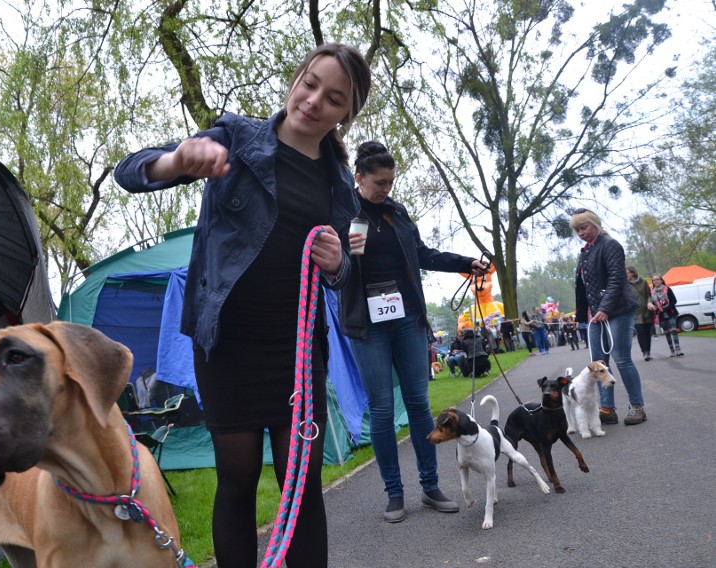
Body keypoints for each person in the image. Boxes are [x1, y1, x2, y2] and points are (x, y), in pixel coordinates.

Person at [114, 43, 372, 567]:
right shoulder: (235, 138)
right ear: (297, 78)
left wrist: (336, 263)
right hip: (227, 346)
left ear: (347, 113)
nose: (313, 100)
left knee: (300, 486)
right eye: (310, 82)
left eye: (333, 97)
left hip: (296, 356)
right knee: (237, 477)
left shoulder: (342, 183)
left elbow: (344, 274)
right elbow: (130, 171)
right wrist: (176, 161)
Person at [339, 141, 490, 523]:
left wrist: (464, 263)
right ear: (359, 178)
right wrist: (342, 249)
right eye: (379, 182)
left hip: (406, 318)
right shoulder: (341, 211)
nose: (387, 188)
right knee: (383, 409)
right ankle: (394, 493)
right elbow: (331, 270)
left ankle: (430, 486)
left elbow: (422, 254)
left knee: (420, 405)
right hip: (367, 324)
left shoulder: (397, 213)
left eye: (391, 181)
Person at [571, 208, 646, 426]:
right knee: (598, 363)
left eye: (583, 227)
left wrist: (605, 307)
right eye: (577, 230)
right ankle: (607, 409)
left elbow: (616, 279)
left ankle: (637, 406)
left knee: (622, 358)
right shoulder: (585, 251)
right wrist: (580, 314)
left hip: (618, 309)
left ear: (595, 223)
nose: (581, 233)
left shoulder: (609, 245)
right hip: (596, 314)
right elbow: (583, 287)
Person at [650, 273, 684, 358]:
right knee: (667, 333)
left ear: (661, 280)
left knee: (673, 330)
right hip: (661, 315)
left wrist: (665, 308)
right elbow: (653, 304)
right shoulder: (652, 292)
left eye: (657, 279)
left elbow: (674, 301)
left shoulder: (667, 289)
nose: (656, 281)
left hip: (671, 313)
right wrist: (655, 307)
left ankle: (678, 349)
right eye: (654, 280)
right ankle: (672, 350)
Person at [627, 266, 656, 361]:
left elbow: (649, 294)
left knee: (648, 333)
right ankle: (645, 352)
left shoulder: (643, 282)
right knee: (641, 332)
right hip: (635, 313)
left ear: (633, 273)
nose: (626, 275)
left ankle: (648, 351)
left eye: (627, 273)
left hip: (647, 312)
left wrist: (649, 302)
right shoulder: (626, 285)